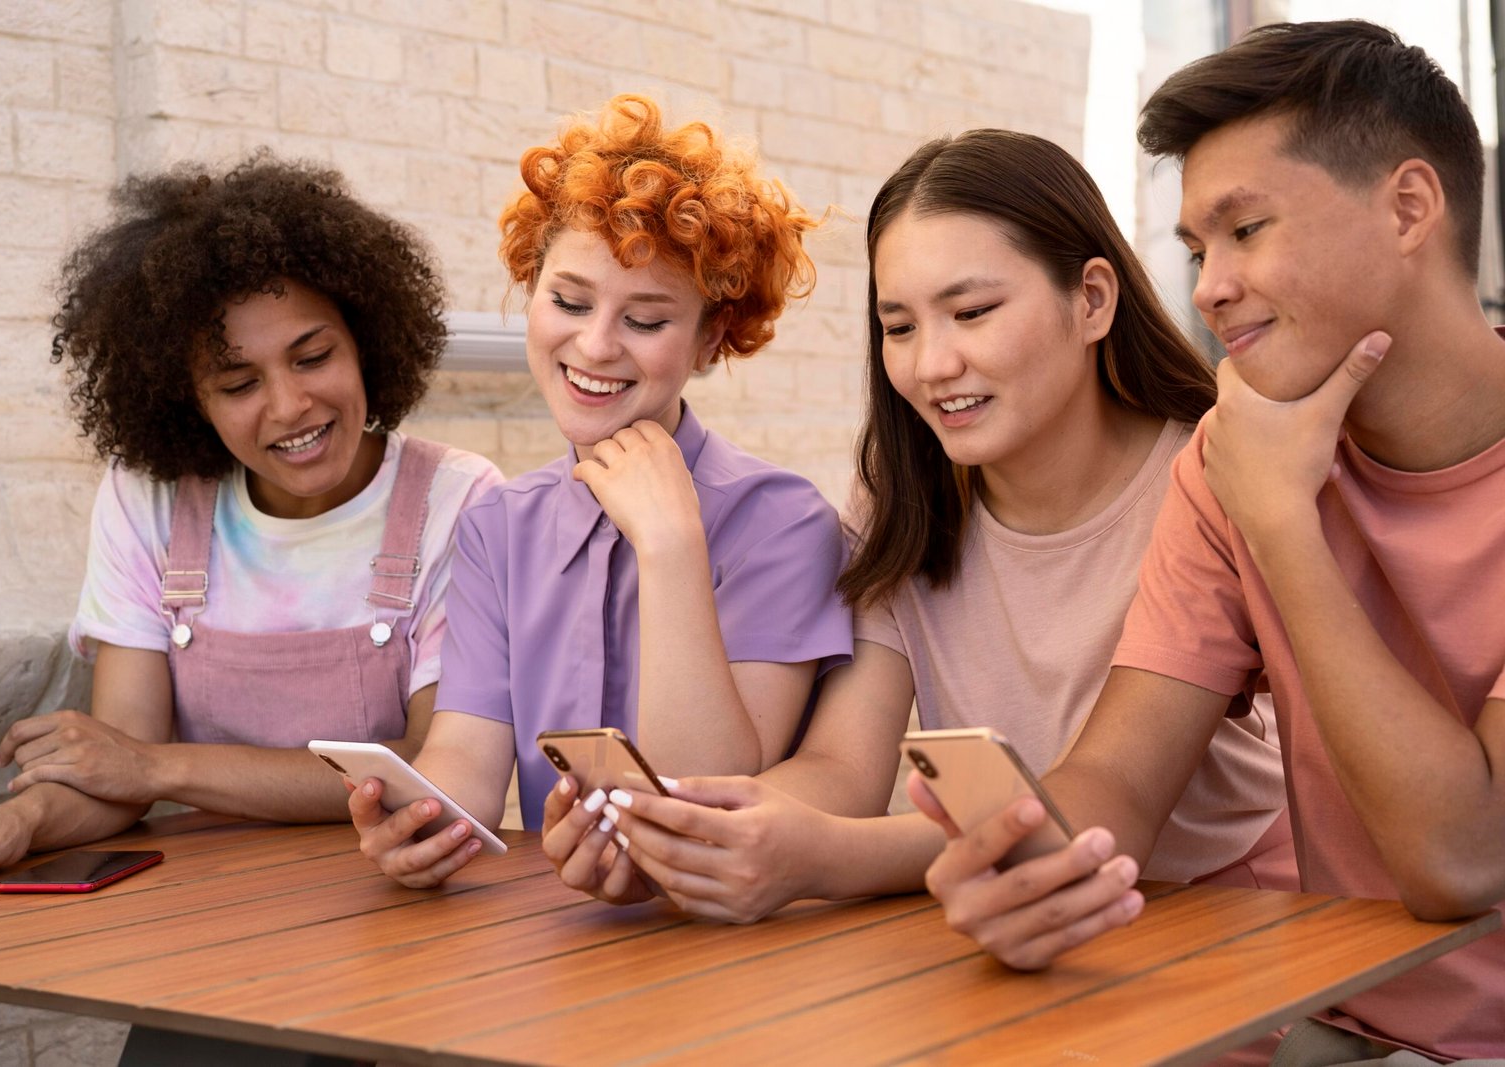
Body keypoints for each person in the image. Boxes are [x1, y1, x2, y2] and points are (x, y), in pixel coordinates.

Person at [912, 21, 1505, 1064]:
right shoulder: (1230, 463)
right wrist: (1032, 853)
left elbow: (1462, 859)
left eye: (1246, 229)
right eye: (1195, 249)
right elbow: (1123, 778)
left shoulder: (1255, 481)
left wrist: (1282, 522)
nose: (1208, 287)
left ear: (1408, 207)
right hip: (1345, 1023)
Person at [549, 129, 1293, 919]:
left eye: (970, 311)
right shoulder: (902, 494)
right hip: (996, 908)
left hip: (1220, 913)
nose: (932, 364)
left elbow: (1111, 799)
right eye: (899, 327)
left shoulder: (1211, 478)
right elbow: (843, 765)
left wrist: (822, 856)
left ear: (1093, 300)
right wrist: (686, 831)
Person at [0, 154, 501, 889]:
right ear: (188, 400)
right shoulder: (150, 499)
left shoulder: (458, 499)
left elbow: (428, 766)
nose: (289, 406)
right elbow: (113, 771)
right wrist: (18, 821)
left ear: (365, 342)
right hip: (195, 910)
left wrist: (157, 766)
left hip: (391, 896)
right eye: (239, 383)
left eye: (312, 356)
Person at [349, 94, 853, 890]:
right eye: (570, 301)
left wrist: (670, 543)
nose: (593, 345)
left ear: (711, 337)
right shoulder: (497, 526)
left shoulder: (781, 522)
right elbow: (467, 758)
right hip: (554, 939)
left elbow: (708, 791)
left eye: (646, 320)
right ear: (531, 286)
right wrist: (418, 822)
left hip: (730, 942)